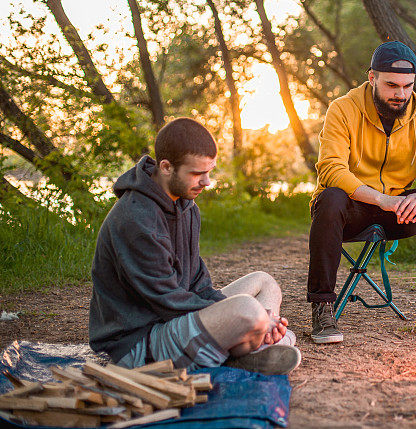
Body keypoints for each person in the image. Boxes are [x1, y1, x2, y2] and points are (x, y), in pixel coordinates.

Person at [89, 118, 301, 375]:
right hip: (138, 343)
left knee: (263, 282)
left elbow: (198, 285)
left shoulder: (187, 208)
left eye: (209, 171)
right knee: (248, 310)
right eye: (197, 173)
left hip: (176, 320)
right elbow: (169, 302)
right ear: (166, 167)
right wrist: (253, 319)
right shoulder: (136, 219)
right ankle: (252, 347)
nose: (207, 182)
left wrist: (260, 320)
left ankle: (251, 345)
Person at [307, 41, 416, 344]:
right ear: (372, 78)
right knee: (330, 196)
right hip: (351, 210)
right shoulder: (343, 109)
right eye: (392, 85)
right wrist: (381, 198)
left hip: (399, 210)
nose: (400, 94)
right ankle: (322, 306)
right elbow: (331, 169)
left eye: (408, 86)